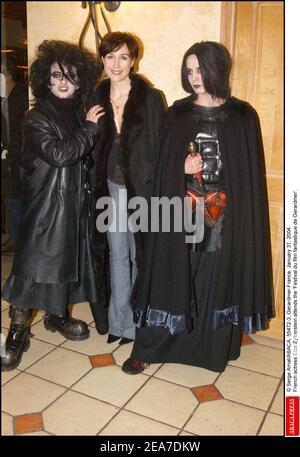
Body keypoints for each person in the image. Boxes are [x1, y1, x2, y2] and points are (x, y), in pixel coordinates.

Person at [122, 41, 275, 374]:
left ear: (217, 69)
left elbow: (248, 176)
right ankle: (149, 348)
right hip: (183, 210)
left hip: (224, 213)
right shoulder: (177, 112)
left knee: (216, 280)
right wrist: (181, 167)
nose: (194, 77)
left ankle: (210, 349)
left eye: (200, 69)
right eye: (189, 70)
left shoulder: (243, 115)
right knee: (170, 275)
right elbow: (161, 166)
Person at [1, 40, 105, 371]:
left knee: (65, 267)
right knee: (31, 271)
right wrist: (90, 128)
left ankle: (56, 317)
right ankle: (17, 330)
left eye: (71, 76)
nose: (63, 82)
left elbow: (85, 158)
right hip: (45, 208)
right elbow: (61, 154)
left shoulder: (77, 114)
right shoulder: (35, 117)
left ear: (80, 81)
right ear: (45, 78)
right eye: (57, 75)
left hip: (74, 205)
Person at [88, 32, 166, 345]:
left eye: (123, 57)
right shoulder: (96, 96)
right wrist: (89, 127)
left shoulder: (150, 97)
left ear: (133, 60)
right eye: (109, 57)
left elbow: (161, 146)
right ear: (103, 60)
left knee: (140, 256)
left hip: (142, 189)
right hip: (109, 188)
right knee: (117, 255)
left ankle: (139, 322)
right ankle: (119, 323)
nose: (116, 64)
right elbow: (91, 146)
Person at [1, 56, 28, 254]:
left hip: (18, 155)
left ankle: (17, 238)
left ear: (9, 76)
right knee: (10, 196)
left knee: (15, 197)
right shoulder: (4, 98)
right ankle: (14, 236)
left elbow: (21, 130)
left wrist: (13, 150)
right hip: (7, 155)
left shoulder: (20, 96)